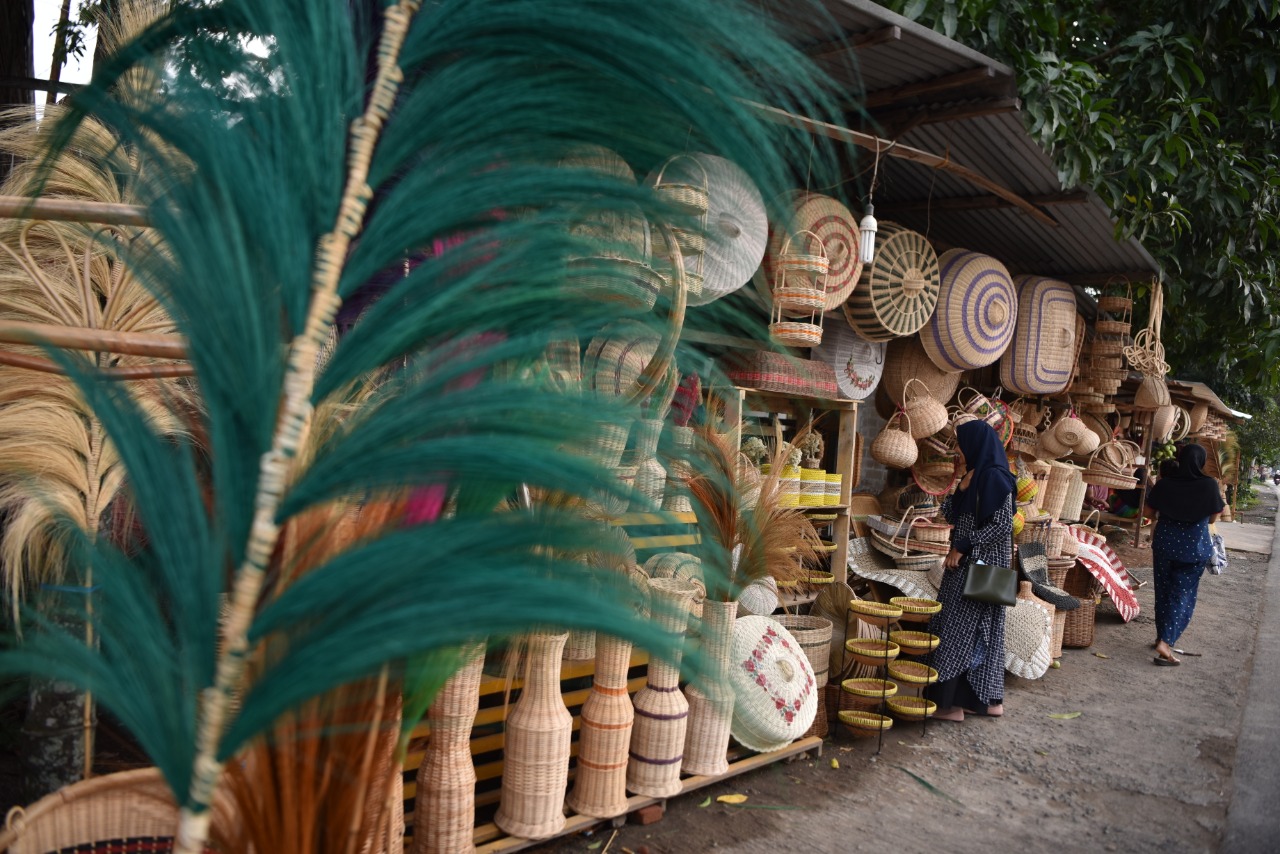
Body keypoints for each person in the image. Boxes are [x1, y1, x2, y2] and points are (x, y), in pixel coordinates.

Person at [926, 419, 1017, 721]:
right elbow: (949, 514)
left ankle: (948, 704)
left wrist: (962, 546)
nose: (957, 450)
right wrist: (959, 486)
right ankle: (986, 701)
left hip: (975, 565)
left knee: (954, 628)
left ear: (975, 445)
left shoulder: (995, 477)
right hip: (974, 566)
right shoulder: (975, 476)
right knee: (980, 632)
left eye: (960, 444)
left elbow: (1002, 525)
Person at [1144, 443, 1224, 666]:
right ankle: (1166, 642)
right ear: (1201, 462)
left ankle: (1162, 637)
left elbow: (1148, 513)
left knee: (1164, 591)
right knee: (1182, 595)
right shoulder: (1208, 485)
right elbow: (1213, 518)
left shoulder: (1166, 483)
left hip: (1164, 546)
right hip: (1193, 548)